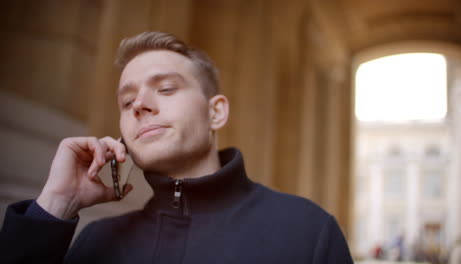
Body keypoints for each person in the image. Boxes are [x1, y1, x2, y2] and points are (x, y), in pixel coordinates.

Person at [0, 31, 353, 263]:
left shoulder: (308, 232)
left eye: (166, 89)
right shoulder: (95, 241)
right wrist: (56, 205)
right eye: (126, 102)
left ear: (216, 112)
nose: (139, 104)